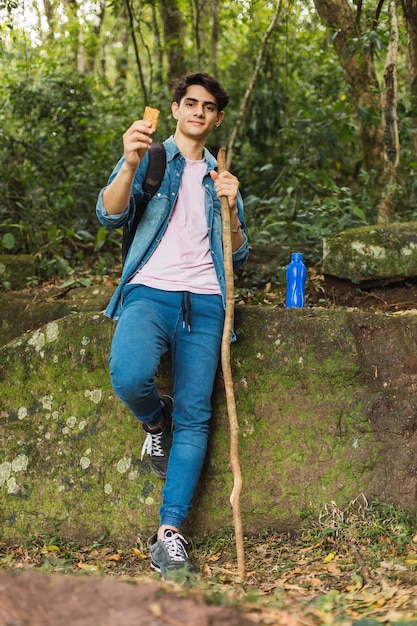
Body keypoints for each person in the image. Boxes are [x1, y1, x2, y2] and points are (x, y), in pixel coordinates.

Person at [96, 72, 249, 579]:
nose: (198, 112)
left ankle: (170, 534)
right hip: (150, 292)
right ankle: (153, 422)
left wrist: (230, 206)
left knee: (196, 415)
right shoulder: (151, 156)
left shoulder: (221, 172)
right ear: (177, 108)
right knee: (129, 373)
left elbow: (239, 251)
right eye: (190, 103)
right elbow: (110, 215)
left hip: (207, 301)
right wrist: (130, 163)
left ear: (218, 117)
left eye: (208, 107)